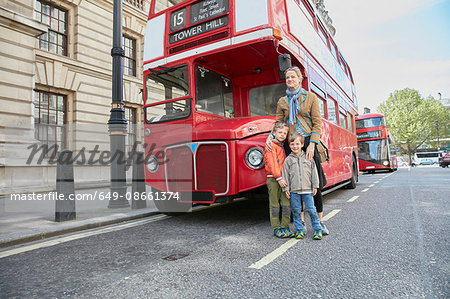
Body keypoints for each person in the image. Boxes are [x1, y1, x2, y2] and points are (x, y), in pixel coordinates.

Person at [266, 66, 329, 235]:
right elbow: (278, 123)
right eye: (287, 77)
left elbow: (317, 123)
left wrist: (312, 144)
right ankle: (300, 222)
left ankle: (320, 222)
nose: (290, 80)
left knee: (314, 183)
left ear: (300, 79)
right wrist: (270, 136)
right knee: (295, 184)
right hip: (291, 143)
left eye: (293, 77)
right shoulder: (282, 101)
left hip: (308, 142)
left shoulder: (311, 97)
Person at [282, 133, 322, 240]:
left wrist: (315, 186)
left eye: (297, 144)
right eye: (292, 144)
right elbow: (285, 175)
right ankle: (299, 230)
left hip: (307, 190)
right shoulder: (288, 160)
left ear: (302, 144)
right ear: (289, 146)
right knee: (296, 210)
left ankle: (317, 229)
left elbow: (314, 173)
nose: (295, 146)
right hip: (294, 191)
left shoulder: (308, 158)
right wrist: (286, 189)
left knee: (311, 209)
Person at [263, 122, 294, 238]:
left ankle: (285, 226)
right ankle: (276, 228)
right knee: (275, 205)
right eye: (280, 132)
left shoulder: (281, 145)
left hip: (283, 179)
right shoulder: (271, 146)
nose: (282, 135)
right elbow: (272, 164)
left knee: (286, 204)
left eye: (285, 133)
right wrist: (279, 177)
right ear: (274, 133)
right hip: (274, 179)